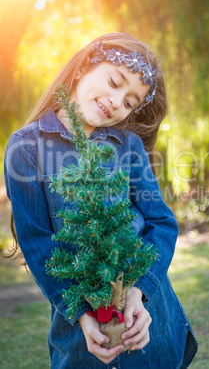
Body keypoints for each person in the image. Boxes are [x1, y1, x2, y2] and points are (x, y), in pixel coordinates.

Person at [4, 32, 198, 368]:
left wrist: (139, 291)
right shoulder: (26, 148)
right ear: (82, 68)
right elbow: (38, 245)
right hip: (84, 335)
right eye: (114, 82)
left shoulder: (129, 147)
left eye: (128, 102)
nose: (116, 101)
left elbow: (161, 223)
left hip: (148, 320)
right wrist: (81, 313)